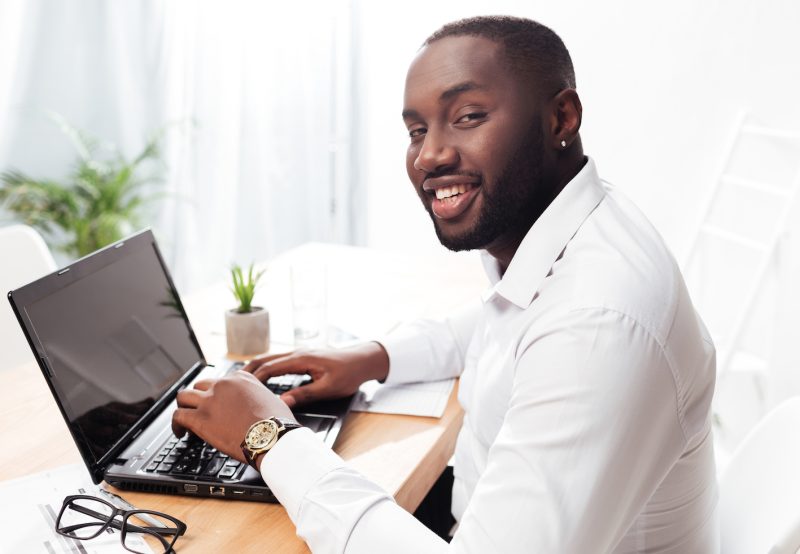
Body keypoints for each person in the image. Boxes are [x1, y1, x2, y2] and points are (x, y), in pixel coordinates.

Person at [172, 15, 719, 553]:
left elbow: (567, 329)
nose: (429, 154)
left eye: (468, 116)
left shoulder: (598, 319)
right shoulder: (571, 237)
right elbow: (500, 321)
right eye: (416, 130)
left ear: (561, 118)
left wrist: (268, 438)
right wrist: (372, 358)